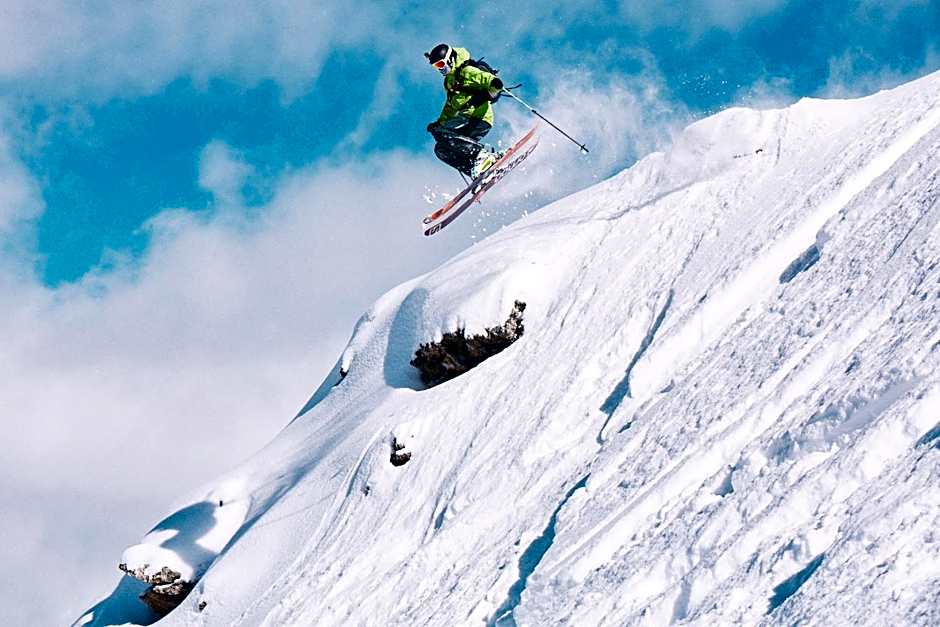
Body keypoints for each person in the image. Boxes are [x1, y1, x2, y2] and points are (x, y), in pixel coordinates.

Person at [424, 43, 505, 179]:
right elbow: (450, 107)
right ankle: (478, 172)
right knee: (441, 149)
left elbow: (493, 82)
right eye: (436, 66)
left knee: (443, 134)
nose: (440, 69)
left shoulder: (466, 72)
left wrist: (490, 91)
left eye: (441, 64)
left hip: (478, 119)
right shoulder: (449, 82)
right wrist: (439, 123)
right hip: (464, 119)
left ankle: (483, 156)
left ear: (450, 59)